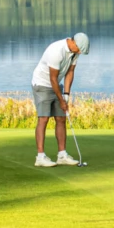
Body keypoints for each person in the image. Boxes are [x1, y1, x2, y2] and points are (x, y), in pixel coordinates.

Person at [32, 32, 89, 167]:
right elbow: (52, 78)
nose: (80, 52)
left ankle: (62, 155)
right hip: (42, 84)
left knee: (61, 118)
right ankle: (40, 157)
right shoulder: (56, 51)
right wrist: (61, 100)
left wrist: (66, 95)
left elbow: (70, 72)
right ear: (73, 42)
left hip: (56, 84)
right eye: (79, 49)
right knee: (44, 118)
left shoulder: (75, 53)